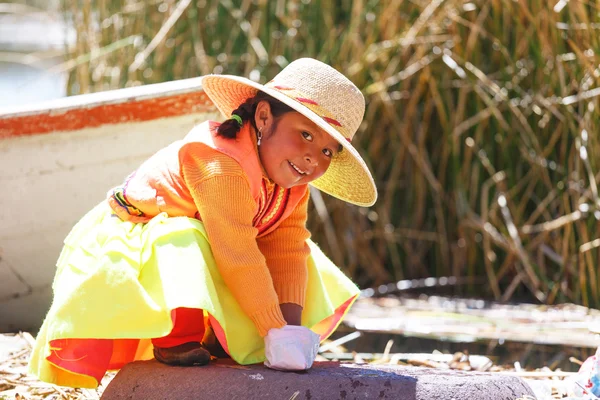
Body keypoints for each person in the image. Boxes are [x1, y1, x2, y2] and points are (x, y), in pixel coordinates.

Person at [28, 58, 377, 388]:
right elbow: (235, 251)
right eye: (306, 135)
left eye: (328, 152)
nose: (313, 158)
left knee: (300, 252)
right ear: (265, 117)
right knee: (185, 237)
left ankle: (224, 338)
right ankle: (177, 338)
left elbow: (285, 249)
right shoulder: (218, 161)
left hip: (217, 244)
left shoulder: (292, 186)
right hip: (140, 241)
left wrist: (291, 332)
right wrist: (273, 328)